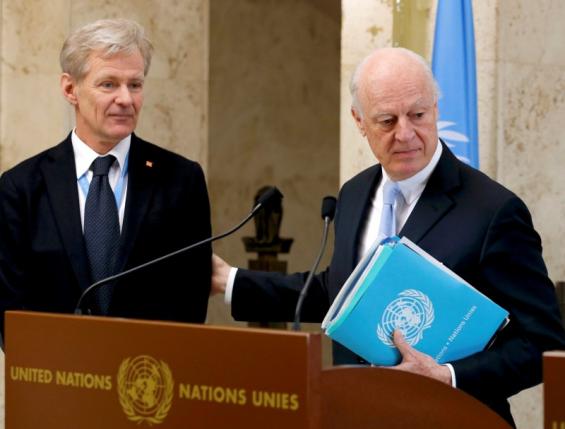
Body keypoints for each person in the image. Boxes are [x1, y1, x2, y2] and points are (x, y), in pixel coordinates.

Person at [211, 47, 565, 426]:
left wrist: (446, 376)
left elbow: (542, 342)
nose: (405, 133)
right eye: (386, 120)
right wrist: (229, 281)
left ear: (436, 109)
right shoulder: (354, 194)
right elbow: (339, 294)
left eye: (417, 115)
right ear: (359, 121)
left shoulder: (494, 210)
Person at [0, 19, 211, 336]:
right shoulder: (22, 186)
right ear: (70, 89)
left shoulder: (181, 180)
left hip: (148, 376)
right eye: (109, 84)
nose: (126, 99)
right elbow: (9, 309)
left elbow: (190, 303)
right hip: (56, 376)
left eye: (135, 85)